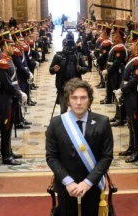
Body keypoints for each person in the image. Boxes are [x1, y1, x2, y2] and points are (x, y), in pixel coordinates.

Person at [46, 78, 113, 216]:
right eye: (74, 97)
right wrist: (69, 182)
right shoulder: (56, 123)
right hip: (66, 188)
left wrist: (87, 183)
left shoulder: (102, 122)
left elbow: (106, 157)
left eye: (83, 97)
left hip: (93, 186)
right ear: (68, 100)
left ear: (89, 99)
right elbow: (51, 157)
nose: (78, 102)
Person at [0, 34, 27, 165]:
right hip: (6, 98)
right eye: (11, 45)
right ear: (4, 46)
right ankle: (6, 156)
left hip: (12, 97)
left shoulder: (9, 59)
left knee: (10, 125)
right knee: (6, 127)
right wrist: (19, 94)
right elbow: (7, 84)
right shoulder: (2, 62)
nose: (14, 47)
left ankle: (8, 151)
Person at [50, 36, 88, 114]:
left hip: (76, 87)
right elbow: (51, 70)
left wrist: (80, 68)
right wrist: (54, 69)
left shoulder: (77, 56)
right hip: (62, 88)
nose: (69, 47)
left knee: (77, 109)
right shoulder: (58, 56)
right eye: (67, 45)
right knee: (63, 110)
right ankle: (64, 125)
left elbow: (85, 68)